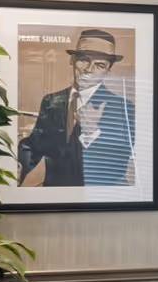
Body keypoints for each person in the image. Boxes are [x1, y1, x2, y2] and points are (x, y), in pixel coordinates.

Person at [19, 28, 136, 187]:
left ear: (108, 72)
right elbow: (35, 145)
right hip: (54, 192)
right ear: (72, 60)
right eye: (84, 60)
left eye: (100, 65)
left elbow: (118, 166)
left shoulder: (122, 108)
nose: (89, 69)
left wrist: (91, 132)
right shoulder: (51, 100)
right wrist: (13, 161)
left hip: (95, 195)